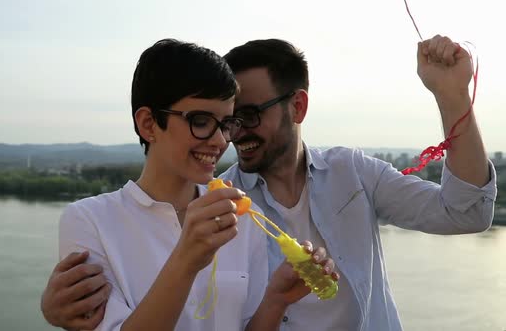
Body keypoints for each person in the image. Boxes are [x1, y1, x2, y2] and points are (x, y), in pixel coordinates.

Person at [42, 35, 497, 330]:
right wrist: (53, 311)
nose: (230, 135)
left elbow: (468, 212)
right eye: (219, 120)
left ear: (297, 108)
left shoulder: (353, 173)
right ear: (148, 123)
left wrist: (453, 98)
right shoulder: (226, 208)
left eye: (243, 117)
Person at [49, 38, 338, 331]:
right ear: (149, 124)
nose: (220, 140)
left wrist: (277, 299)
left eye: (226, 123)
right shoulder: (89, 220)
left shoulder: (240, 216)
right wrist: (186, 259)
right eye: (201, 121)